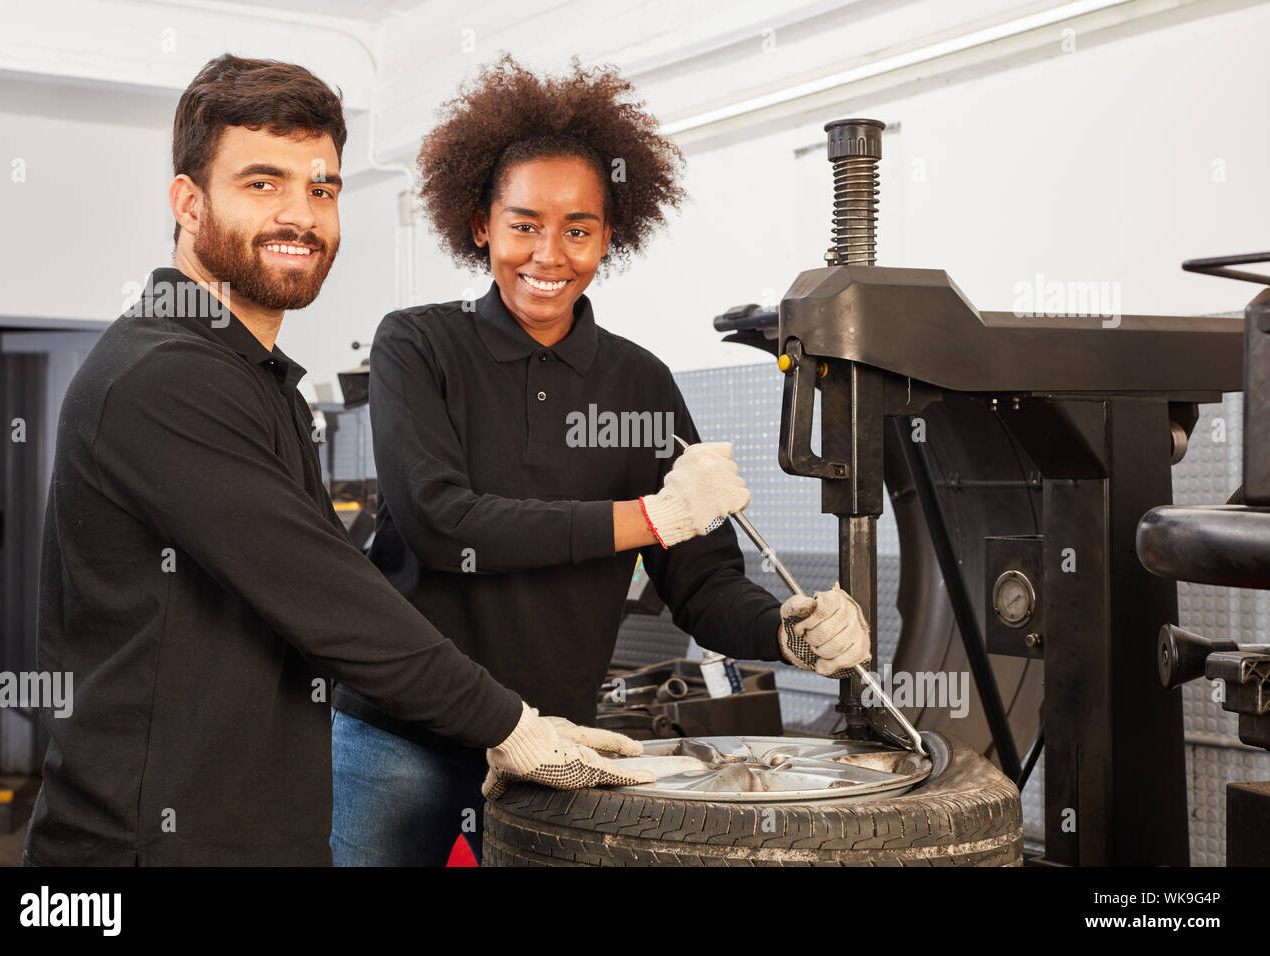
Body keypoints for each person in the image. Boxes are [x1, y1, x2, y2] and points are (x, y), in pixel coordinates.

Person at [22, 53, 654, 867]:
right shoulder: (164, 376)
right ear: (187, 201)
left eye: (321, 189)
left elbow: (324, 599)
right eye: (262, 184)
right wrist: (507, 723)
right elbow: (327, 597)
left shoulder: (259, 381)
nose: (300, 216)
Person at [329, 56, 871, 866]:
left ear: (609, 238)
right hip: (396, 739)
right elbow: (442, 523)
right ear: (481, 224)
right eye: (523, 224)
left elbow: (702, 583)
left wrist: (784, 631)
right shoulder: (419, 343)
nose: (549, 254)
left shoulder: (639, 382)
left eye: (578, 229)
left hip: (552, 745)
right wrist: (652, 516)